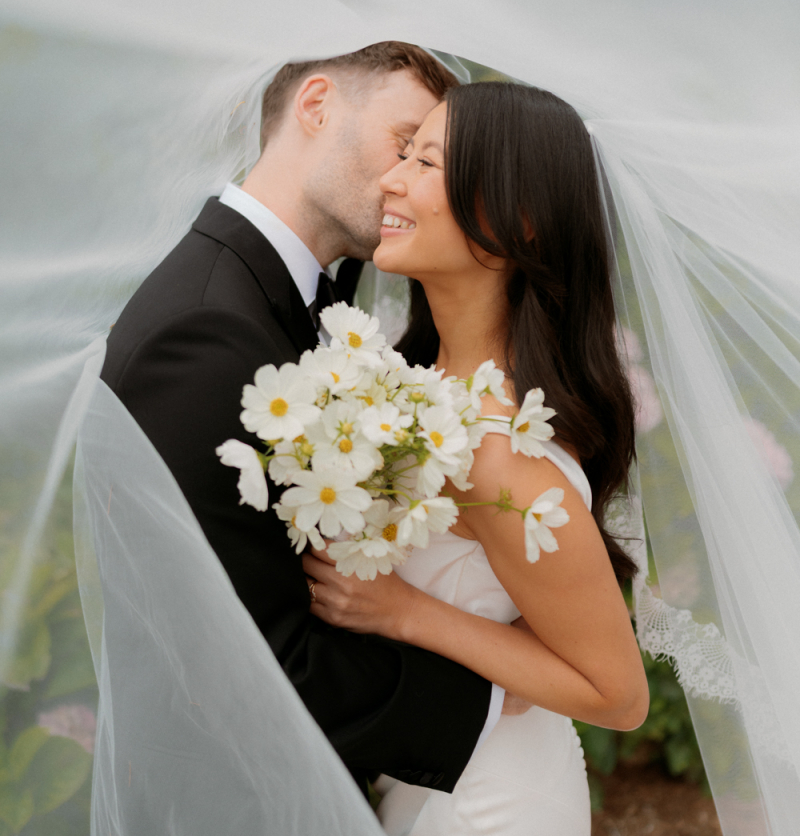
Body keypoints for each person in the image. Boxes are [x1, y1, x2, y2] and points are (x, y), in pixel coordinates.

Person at [99, 42, 507, 799]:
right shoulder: (202, 330)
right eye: (404, 145)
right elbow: (249, 658)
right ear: (316, 105)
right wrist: (505, 697)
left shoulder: (304, 301)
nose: (407, 182)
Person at [302, 81, 651, 835]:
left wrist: (406, 614)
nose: (392, 179)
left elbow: (619, 694)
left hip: (494, 802)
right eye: (404, 154)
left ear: (515, 223)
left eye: (426, 163)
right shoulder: (421, 387)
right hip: (433, 768)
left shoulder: (502, 452)